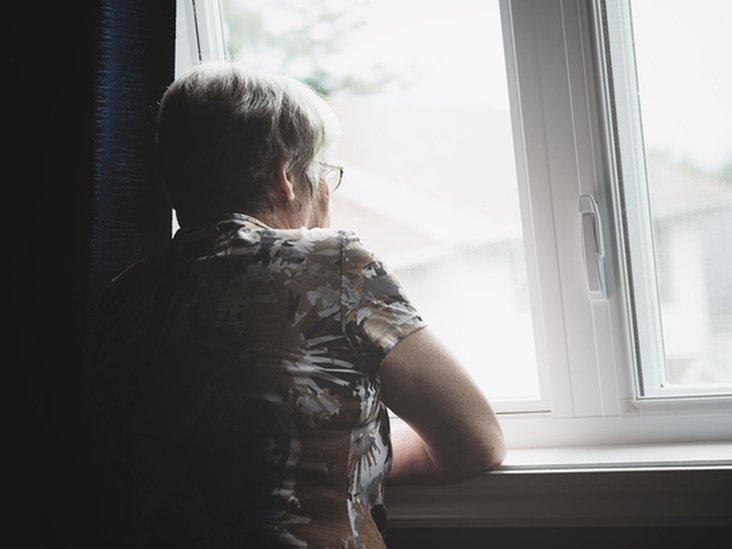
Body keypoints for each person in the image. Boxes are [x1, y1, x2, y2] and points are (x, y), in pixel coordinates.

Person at [90, 61, 506, 548]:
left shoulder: (121, 298)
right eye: (323, 171)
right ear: (286, 176)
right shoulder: (333, 265)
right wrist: (351, 460)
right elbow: (476, 441)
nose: (326, 190)